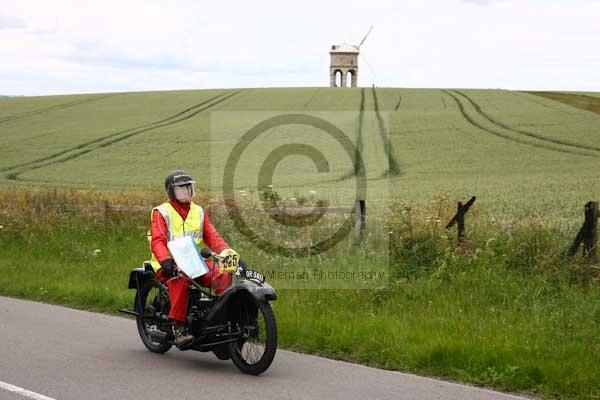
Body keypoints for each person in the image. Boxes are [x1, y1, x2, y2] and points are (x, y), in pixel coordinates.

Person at [149, 170, 237, 348]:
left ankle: (219, 323)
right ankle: (179, 328)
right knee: (181, 279)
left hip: (195, 262)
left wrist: (228, 253)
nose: (187, 192)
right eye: (181, 189)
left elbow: (213, 237)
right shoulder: (162, 212)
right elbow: (158, 240)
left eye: (189, 188)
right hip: (169, 264)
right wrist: (166, 261)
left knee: (223, 274)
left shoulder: (198, 211)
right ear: (171, 191)